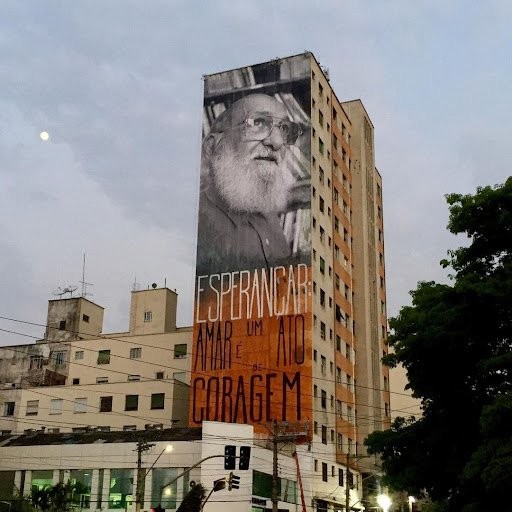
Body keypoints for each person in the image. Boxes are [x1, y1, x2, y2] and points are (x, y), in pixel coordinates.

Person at [196, 93, 309, 276]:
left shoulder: (266, 208)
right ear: (212, 147)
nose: (277, 142)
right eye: (257, 123)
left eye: (284, 129)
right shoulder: (194, 227)